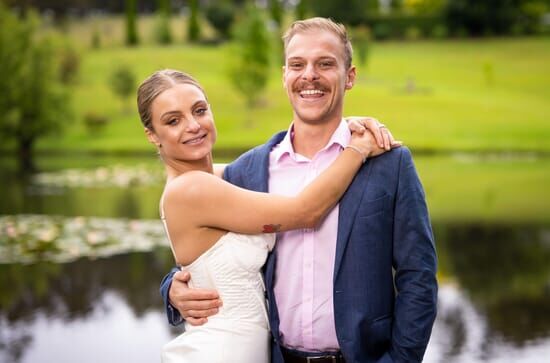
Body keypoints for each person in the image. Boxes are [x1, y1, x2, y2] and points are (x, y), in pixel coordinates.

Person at [161, 17, 437, 363]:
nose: (309, 75)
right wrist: (172, 287)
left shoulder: (390, 163)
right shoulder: (247, 170)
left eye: (325, 63)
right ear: (284, 76)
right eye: (297, 64)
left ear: (349, 77)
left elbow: (419, 277)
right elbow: (205, 245)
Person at [137, 69, 395, 362]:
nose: (193, 125)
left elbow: (283, 166)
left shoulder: (221, 177)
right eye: (173, 121)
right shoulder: (191, 190)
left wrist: (342, 129)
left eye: (200, 110)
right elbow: (305, 211)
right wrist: (356, 149)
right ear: (152, 135)